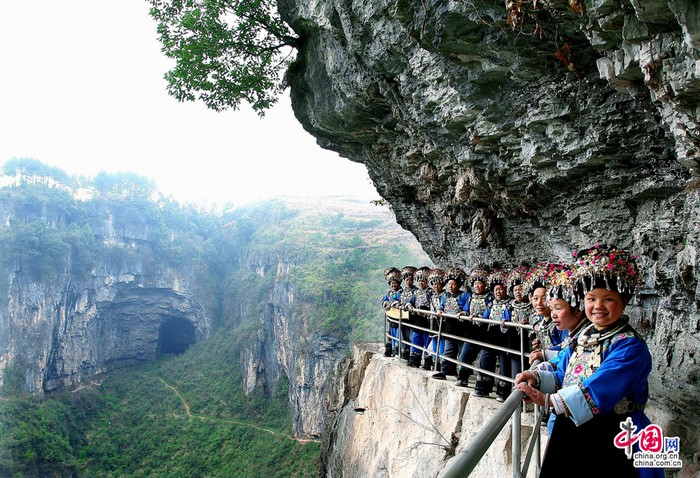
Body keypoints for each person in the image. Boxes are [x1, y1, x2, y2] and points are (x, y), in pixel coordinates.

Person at [516, 245, 663, 478]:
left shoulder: (630, 346)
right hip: (573, 425)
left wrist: (548, 401)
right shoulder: (585, 336)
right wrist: (536, 378)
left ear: (624, 301)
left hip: (611, 432)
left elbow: (601, 387)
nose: (597, 306)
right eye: (591, 298)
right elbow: (563, 373)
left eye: (608, 299)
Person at [473, 269, 512, 401]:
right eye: (496, 289)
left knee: (504, 364)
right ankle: (482, 388)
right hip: (491, 336)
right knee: (484, 359)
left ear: (505, 290)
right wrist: (477, 317)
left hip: (505, 337)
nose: (498, 292)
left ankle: (503, 393)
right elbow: (485, 318)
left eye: (501, 289)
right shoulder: (491, 304)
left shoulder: (510, 304)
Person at [456, 267, 492, 387]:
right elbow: (466, 309)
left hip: (486, 332)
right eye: (475, 283)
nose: (477, 286)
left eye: (480, 283)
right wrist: (463, 313)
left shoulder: (489, 297)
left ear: (485, 285)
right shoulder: (471, 297)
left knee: (485, 360)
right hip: (472, 331)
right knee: (465, 355)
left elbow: (489, 312)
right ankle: (462, 378)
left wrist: (480, 316)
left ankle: (483, 385)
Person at [526, 263, 567, 366]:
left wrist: (545, 354)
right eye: (535, 299)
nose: (539, 303)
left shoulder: (561, 323)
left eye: (544, 299)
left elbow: (566, 347)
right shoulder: (543, 321)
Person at [433, 267, 470, 380]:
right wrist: (439, 310)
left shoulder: (465, 295)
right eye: (449, 284)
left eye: (453, 284)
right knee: (449, 349)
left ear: (458, 285)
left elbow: (468, 307)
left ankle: (463, 375)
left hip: (461, 326)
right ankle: (445, 371)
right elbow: (442, 305)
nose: (450, 286)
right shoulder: (445, 295)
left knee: (461, 351)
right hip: (449, 326)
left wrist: (463, 312)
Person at [506, 266, 534, 381]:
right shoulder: (510, 306)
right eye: (516, 290)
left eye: (521, 289)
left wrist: (529, 322)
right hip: (515, 340)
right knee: (516, 367)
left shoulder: (532, 305)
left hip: (529, 340)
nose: (518, 292)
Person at [406, 266, 433, 367]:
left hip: (426, 320)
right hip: (417, 320)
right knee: (416, 338)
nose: (421, 283)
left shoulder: (430, 292)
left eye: (423, 281)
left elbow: (434, 305)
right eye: (420, 281)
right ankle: (414, 360)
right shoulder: (416, 292)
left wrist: (426, 312)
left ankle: (427, 362)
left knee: (427, 340)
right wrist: (410, 306)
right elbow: (409, 302)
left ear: (426, 282)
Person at [424, 268, 446, 371]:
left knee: (441, 341)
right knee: (434, 340)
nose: (436, 287)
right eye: (434, 284)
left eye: (438, 284)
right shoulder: (432, 296)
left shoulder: (445, 295)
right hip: (433, 322)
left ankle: (441, 363)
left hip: (441, 322)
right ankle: (434, 361)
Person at [381, 267, 403, 357]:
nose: (393, 285)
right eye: (392, 283)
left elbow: (399, 301)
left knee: (398, 334)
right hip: (391, 318)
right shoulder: (389, 293)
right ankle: (389, 350)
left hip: (399, 317)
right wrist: (386, 303)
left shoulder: (401, 292)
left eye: (395, 283)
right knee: (391, 334)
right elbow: (384, 300)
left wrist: (392, 303)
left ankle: (397, 350)